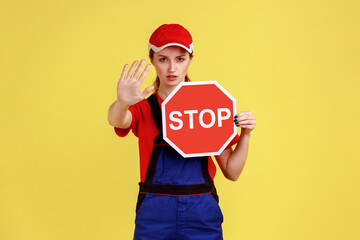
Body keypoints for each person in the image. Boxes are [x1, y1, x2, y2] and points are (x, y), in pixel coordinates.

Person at [108, 24, 256, 240]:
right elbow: (117, 120)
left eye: (180, 59)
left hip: (202, 216)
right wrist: (122, 103)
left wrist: (246, 134)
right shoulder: (143, 107)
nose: (172, 69)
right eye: (163, 59)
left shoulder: (208, 107)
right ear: (152, 59)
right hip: (154, 218)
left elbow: (232, 171)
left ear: (191, 59)